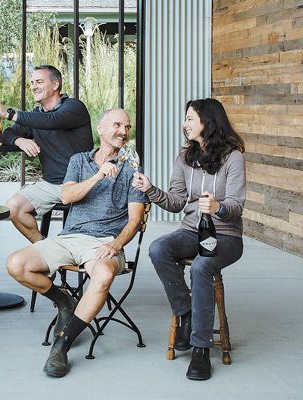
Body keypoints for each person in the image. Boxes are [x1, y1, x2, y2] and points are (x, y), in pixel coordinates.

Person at [6, 108, 147, 378]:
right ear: (101, 130)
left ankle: (62, 344)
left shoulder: (132, 169)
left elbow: (135, 220)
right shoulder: (79, 161)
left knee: (104, 273)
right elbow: (68, 196)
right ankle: (65, 302)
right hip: (69, 237)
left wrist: (116, 246)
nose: (123, 131)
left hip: (104, 242)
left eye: (127, 127)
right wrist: (98, 176)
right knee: (16, 264)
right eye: (117, 125)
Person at [133, 98, 245, 380]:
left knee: (201, 267)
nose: (185, 124)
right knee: (159, 248)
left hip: (225, 235)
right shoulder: (185, 157)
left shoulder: (233, 157)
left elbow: (236, 206)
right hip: (191, 230)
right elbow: (176, 202)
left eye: (190, 119)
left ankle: (200, 350)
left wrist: (218, 207)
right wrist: (151, 189)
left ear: (208, 122)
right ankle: (185, 314)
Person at [0, 65, 93, 244]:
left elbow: (53, 121)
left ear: (55, 84)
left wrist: (9, 113)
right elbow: (6, 134)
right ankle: (46, 251)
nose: (33, 86)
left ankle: (54, 254)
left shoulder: (74, 107)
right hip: (50, 184)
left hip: (80, 184)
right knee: (13, 207)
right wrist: (19, 140)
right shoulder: (36, 115)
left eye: (39, 81)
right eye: (31, 83)